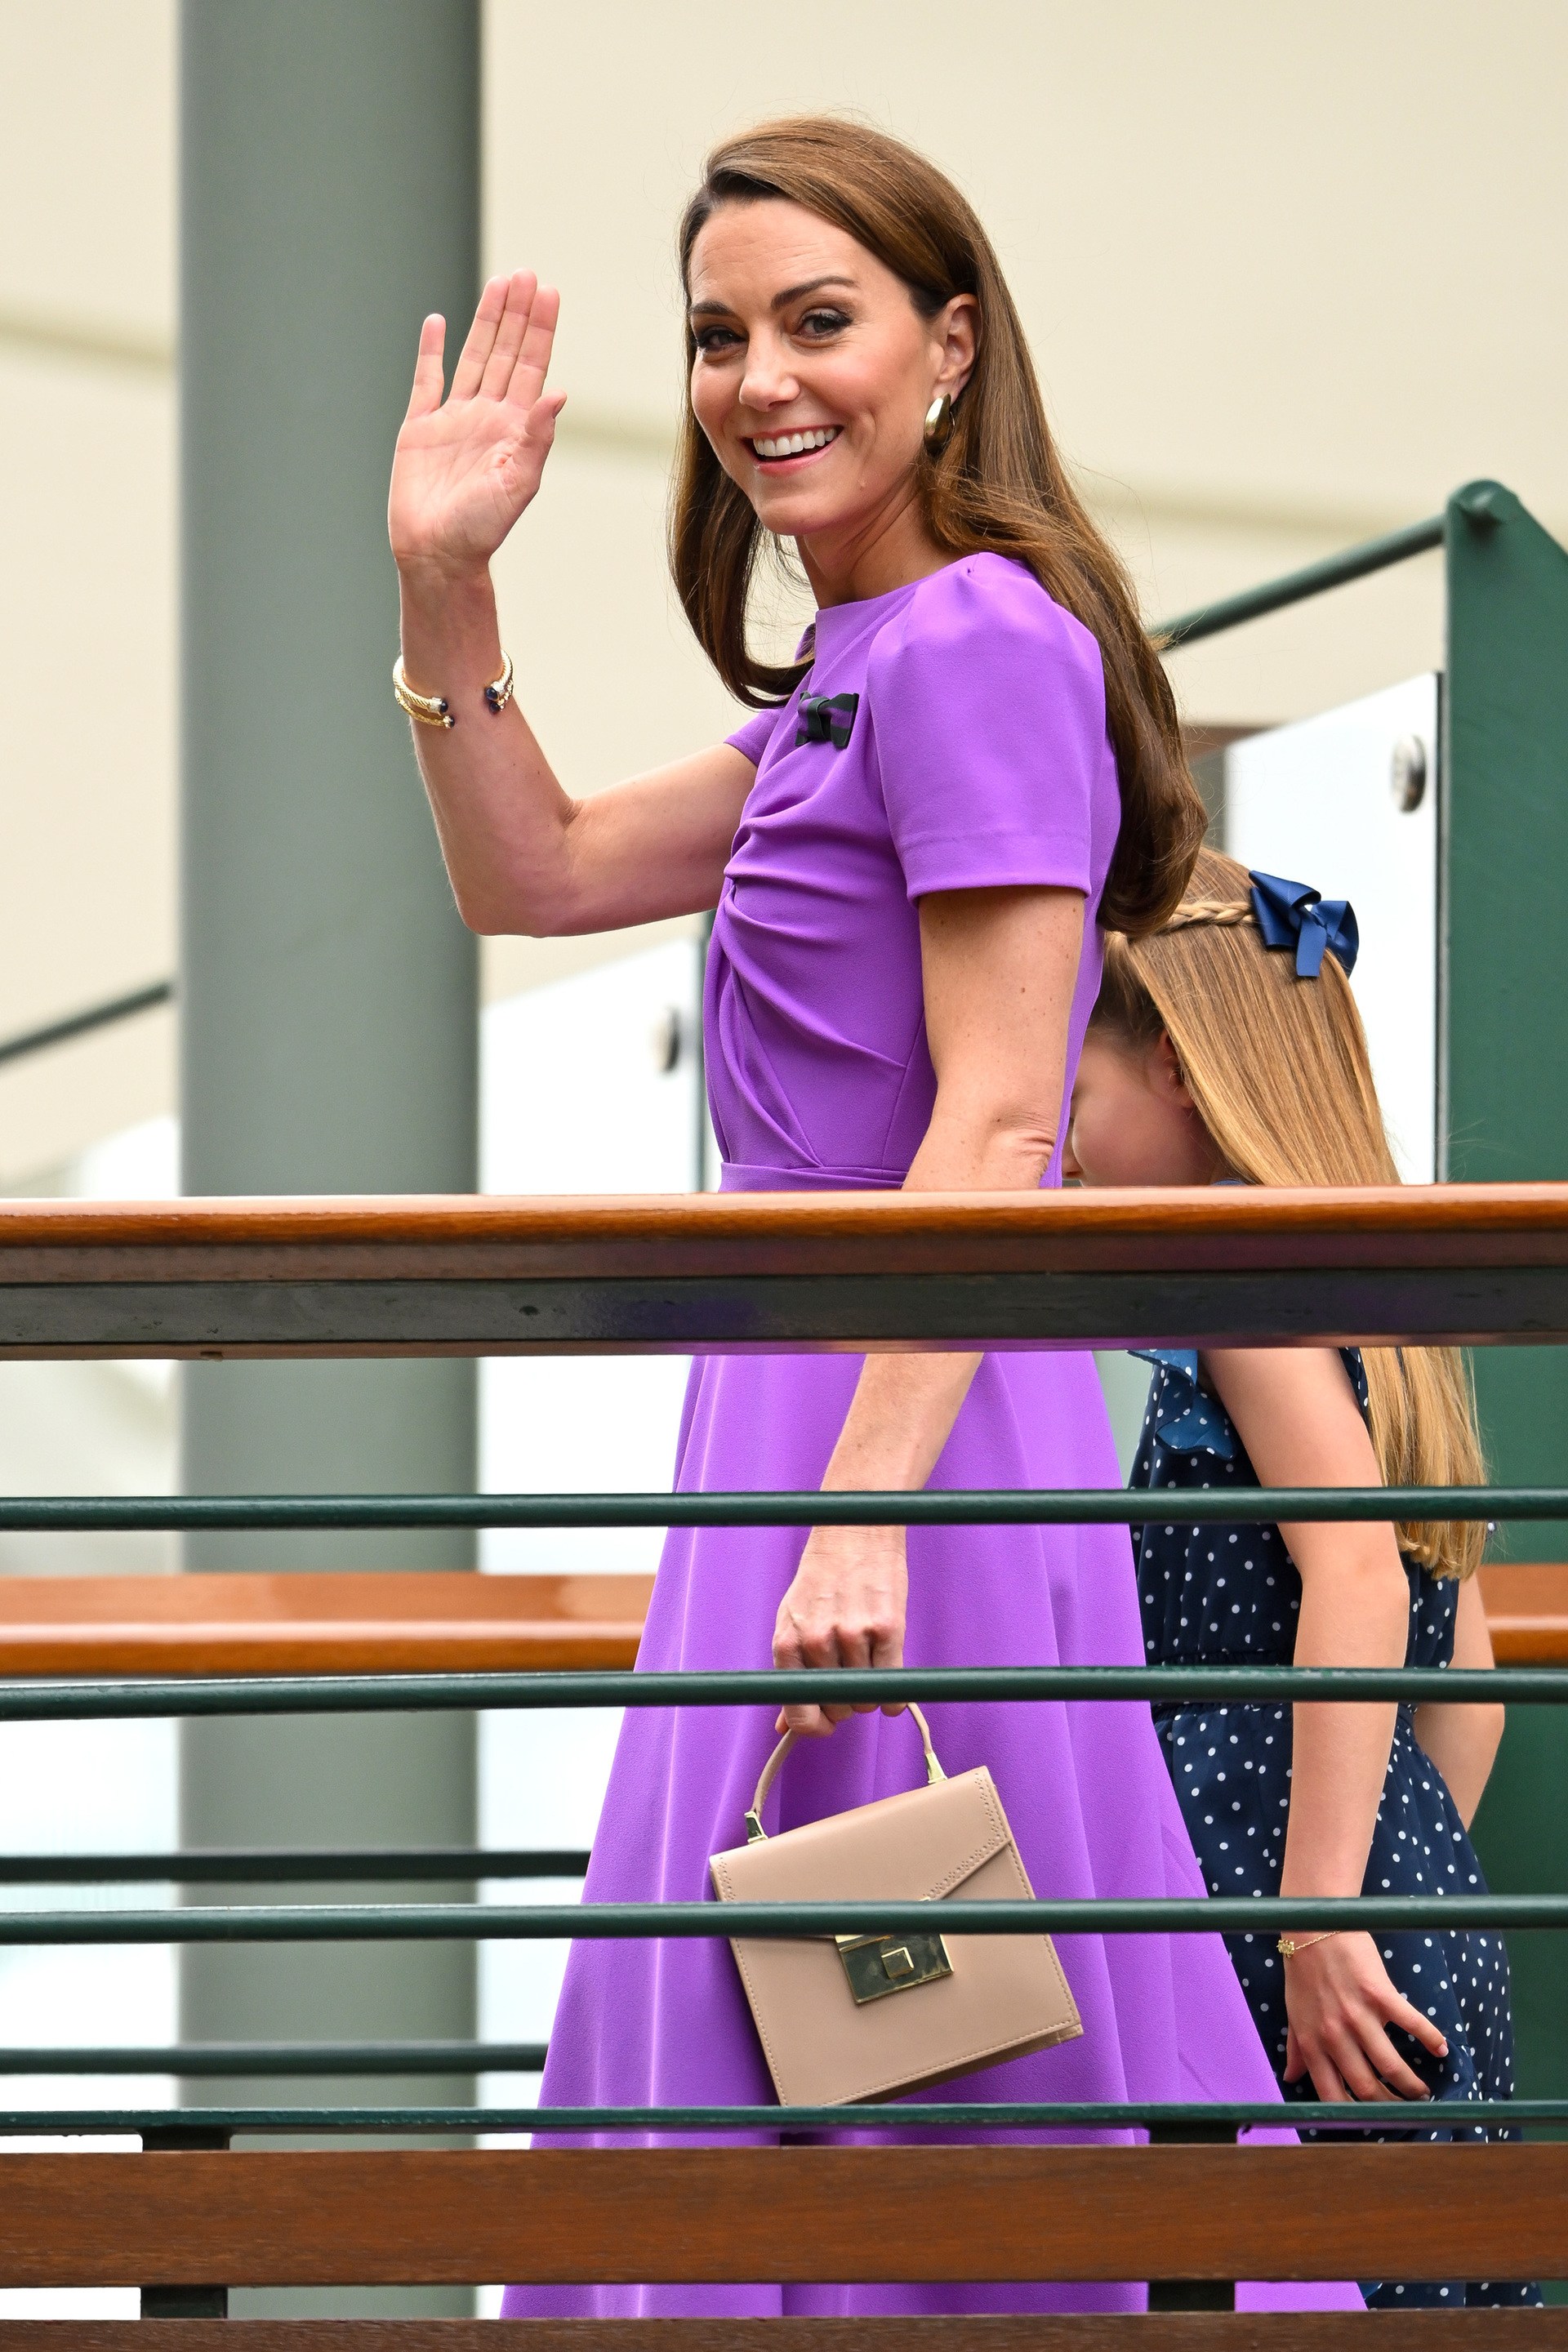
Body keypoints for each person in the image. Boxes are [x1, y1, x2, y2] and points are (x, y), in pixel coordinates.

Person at [387, 117, 1359, 2321]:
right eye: (721, 335)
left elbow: (1005, 1117)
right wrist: (450, 582)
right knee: (842, 1970)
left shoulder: (977, 645)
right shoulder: (854, 669)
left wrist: (860, 1508)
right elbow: (525, 873)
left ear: (948, 347)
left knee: (906, 2001)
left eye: (817, 320)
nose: (760, 379)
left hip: (901, 1414)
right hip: (818, 1401)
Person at [1064, 844, 1537, 2311]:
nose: (1057, 1144)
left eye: (1076, 1098)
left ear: (1184, 1077)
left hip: (1284, 1925)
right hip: (1404, 1903)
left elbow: (1355, 1584)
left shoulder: (1240, 1299)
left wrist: (1318, 1914)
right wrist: (1394, 1882)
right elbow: (1468, 1702)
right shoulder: (1381, 1323)